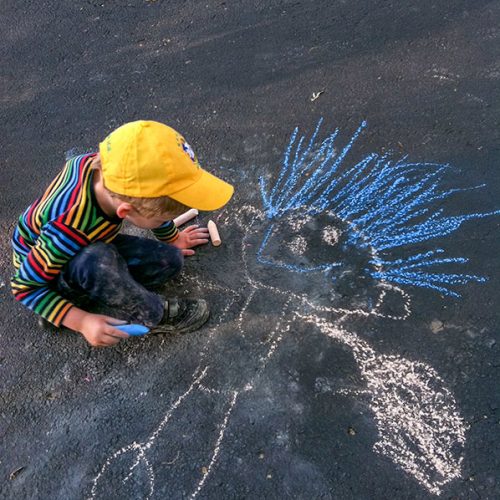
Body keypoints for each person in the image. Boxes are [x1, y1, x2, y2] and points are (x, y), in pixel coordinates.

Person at [10, 120, 234, 347]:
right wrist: (81, 321)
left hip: (89, 243)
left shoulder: (112, 168)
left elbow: (150, 202)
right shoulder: (68, 229)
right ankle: (150, 315)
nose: (164, 223)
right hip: (49, 273)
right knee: (96, 260)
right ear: (125, 211)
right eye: (161, 220)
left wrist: (173, 238)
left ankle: (100, 288)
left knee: (170, 260)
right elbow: (24, 287)